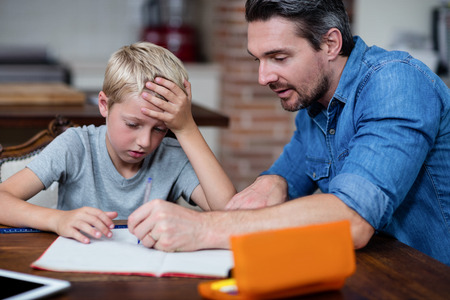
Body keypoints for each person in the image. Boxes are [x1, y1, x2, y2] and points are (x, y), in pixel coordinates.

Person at [128, 0, 450, 265]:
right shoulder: (313, 108)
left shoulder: (396, 83)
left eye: (278, 57)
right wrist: (275, 181)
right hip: (374, 276)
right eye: (258, 59)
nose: (263, 76)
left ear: (330, 43)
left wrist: (203, 228)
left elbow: (352, 219)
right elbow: (279, 188)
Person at [0, 42, 235, 244]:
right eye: (133, 124)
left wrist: (186, 128)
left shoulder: (173, 157)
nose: (144, 142)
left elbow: (231, 215)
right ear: (104, 105)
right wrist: (57, 219)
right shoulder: (76, 146)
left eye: (160, 129)